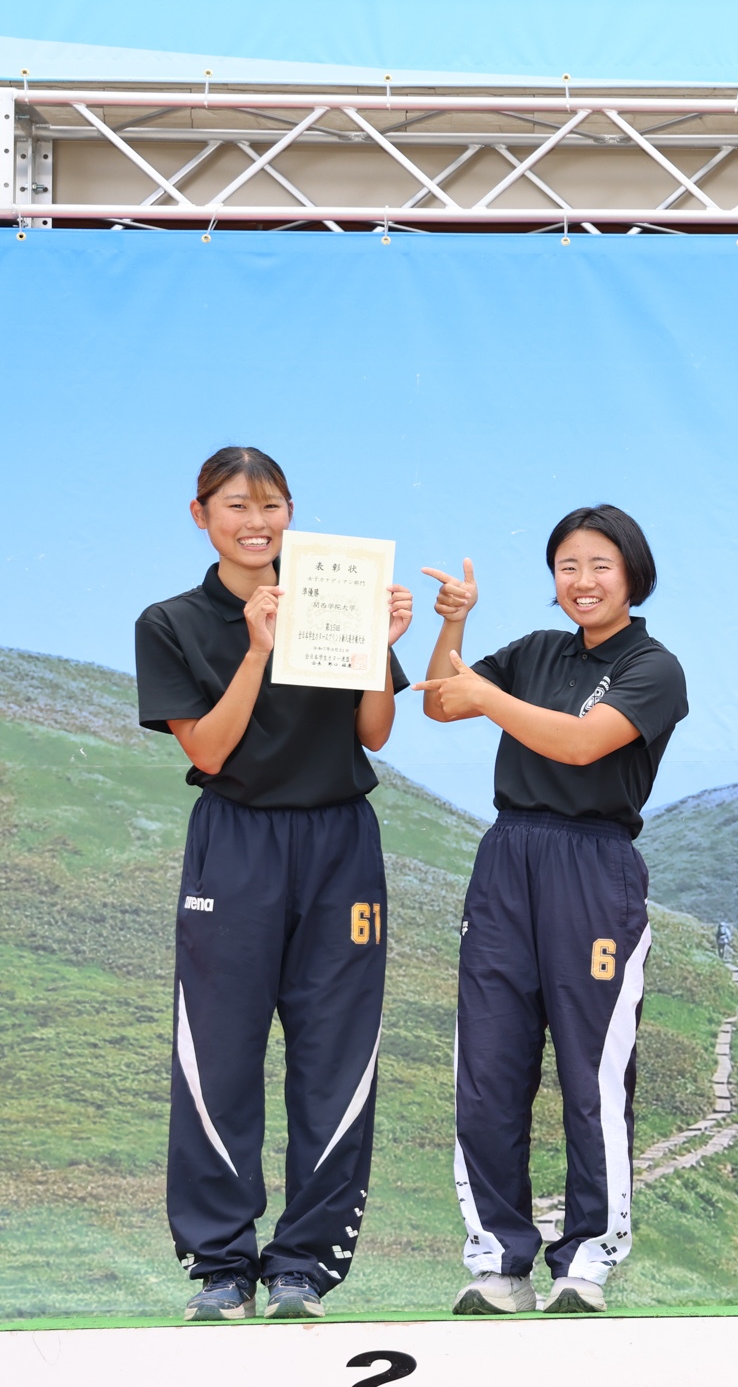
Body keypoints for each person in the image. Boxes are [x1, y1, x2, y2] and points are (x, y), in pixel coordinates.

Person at [134, 446, 412, 1321]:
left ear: (291, 511)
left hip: (340, 845)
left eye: (271, 505)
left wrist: (380, 647)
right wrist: (258, 650)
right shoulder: (171, 622)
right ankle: (222, 1266)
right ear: (201, 515)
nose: (255, 524)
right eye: (235, 506)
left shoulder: (335, 594)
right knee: (219, 1056)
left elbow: (375, 733)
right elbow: (210, 751)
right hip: (236, 844)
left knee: (336, 1055)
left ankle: (303, 1265)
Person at [415, 506, 687, 1315]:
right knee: (488, 1069)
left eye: (600, 565)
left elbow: (579, 743)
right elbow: (441, 703)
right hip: (507, 858)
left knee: (590, 1074)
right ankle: (499, 1261)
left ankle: (588, 1258)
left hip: (593, 865)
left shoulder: (654, 666)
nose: (583, 581)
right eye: (568, 566)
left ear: (632, 575)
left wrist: (487, 698)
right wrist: (454, 623)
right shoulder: (534, 651)